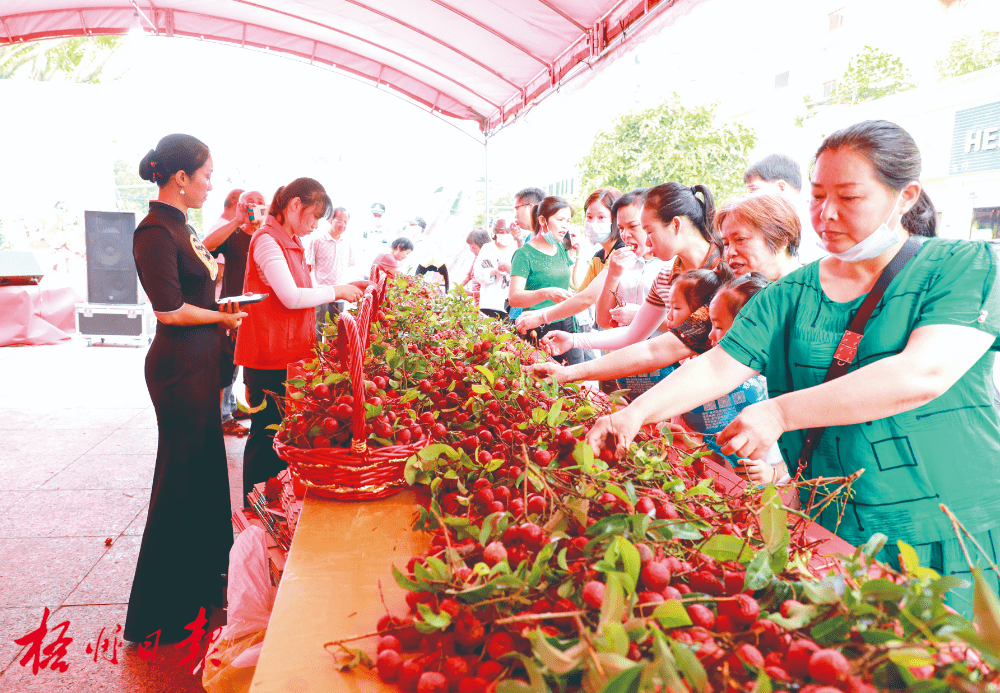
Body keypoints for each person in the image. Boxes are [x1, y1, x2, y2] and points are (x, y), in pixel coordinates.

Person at [586, 120, 1000, 616]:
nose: (826, 213)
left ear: (905, 196)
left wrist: (779, 413)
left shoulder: (964, 266)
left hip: (953, 526)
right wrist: (634, 415)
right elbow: (717, 365)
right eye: (818, 195)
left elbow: (922, 374)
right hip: (836, 521)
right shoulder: (788, 293)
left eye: (848, 197)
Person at [126, 134, 244, 643]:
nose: (211, 185)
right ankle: (160, 610)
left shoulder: (182, 226)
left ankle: (199, 588)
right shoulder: (154, 231)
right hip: (177, 369)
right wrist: (222, 317)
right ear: (180, 178)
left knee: (200, 474)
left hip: (198, 365)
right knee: (178, 480)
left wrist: (222, 312)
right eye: (206, 175)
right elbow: (168, 310)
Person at [234, 178, 364, 500]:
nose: (315, 225)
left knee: (282, 433)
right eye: (314, 217)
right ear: (294, 205)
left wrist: (346, 285)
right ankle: (255, 506)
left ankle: (275, 504)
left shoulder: (291, 242)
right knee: (265, 435)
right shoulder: (267, 241)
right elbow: (291, 297)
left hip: (288, 354)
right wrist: (338, 291)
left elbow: (302, 292)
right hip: (268, 356)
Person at [535, 183, 723, 381]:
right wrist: (574, 340)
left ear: (676, 225)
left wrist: (572, 371)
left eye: (647, 231)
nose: (647, 242)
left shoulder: (725, 273)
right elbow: (632, 335)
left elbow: (659, 348)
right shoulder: (667, 275)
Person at [204, 189, 266, 436]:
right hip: (234, 312)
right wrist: (237, 221)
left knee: (250, 369)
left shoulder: (267, 238)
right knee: (227, 365)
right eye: (249, 203)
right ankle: (222, 417)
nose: (255, 207)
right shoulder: (234, 234)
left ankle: (241, 411)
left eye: (260, 203)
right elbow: (205, 246)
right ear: (240, 206)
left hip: (262, 313)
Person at [508, 196, 590, 365]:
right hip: (537, 326)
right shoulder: (524, 254)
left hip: (567, 322)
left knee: (573, 378)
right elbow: (514, 298)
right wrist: (547, 293)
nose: (565, 225)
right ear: (542, 220)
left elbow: (576, 285)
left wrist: (580, 251)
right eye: (560, 219)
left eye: (568, 220)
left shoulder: (560, 247)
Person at [306, 206, 356, 336]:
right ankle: (315, 355)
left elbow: (350, 267)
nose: (343, 225)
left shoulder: (348, 242)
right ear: (330, 219)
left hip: (340, 295)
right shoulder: (316, 239)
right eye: (339, 220)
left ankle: (330, 356)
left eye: (345, 222)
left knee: (335, 330)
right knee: (318, 328)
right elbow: (307, 267)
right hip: (320, 292)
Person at [578, 188, 625, 290]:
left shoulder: (621, 253)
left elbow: (588, 298)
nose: (593, 223)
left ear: (616, 218)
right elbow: (581, 292)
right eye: (589, 217)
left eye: (601, 217)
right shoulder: (598, 257)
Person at [472, 224, 517, 319]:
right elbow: (478, 274)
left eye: (507, 232)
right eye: (501, 232)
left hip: (510, 306)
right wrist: (495, 271)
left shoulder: (517, 248)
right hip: (489, 304)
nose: (504, 234)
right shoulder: (487, 249)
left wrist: (509, 268)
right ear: (495, 232)